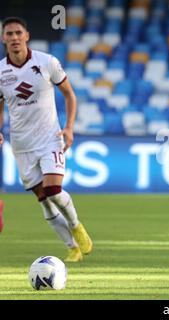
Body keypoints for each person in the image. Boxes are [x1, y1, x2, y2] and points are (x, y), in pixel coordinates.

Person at [0, 17, 93, 261]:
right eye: (9, 34)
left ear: (27, 35)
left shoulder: (47, 62)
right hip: (22, 144)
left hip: (50, 138)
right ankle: (72, 246)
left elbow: (70, 95)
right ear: (3, 39)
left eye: (18, 32)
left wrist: (69, 128)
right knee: (43, 199)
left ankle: (75, 224)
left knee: (53, 189)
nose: (14, 37)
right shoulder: (0, 72)